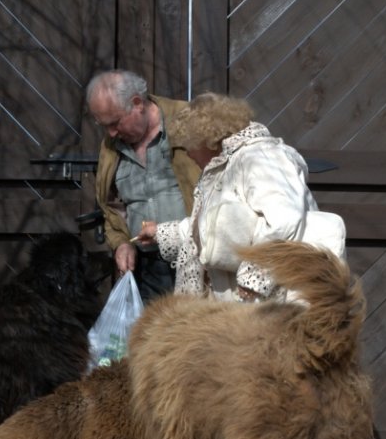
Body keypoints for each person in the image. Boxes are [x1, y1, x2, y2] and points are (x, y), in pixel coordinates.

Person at [134, 92, 346, 302]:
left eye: (188, 145)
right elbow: (219, 228)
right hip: (242, 306)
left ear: (206, 139)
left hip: (278, 300)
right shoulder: (226, 165)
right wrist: (160, 233)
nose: (188, 154)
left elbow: (284, 220)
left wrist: (255, 278)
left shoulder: (260, 158)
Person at [87, 70, 201, 302]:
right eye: (104, 126)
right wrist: (120, 244)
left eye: (115, 122)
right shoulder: (111, 146)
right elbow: (111, 206)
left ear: (137, 103)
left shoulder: (189, 122)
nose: (110, 133)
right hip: (148, 268)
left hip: (197, 261)